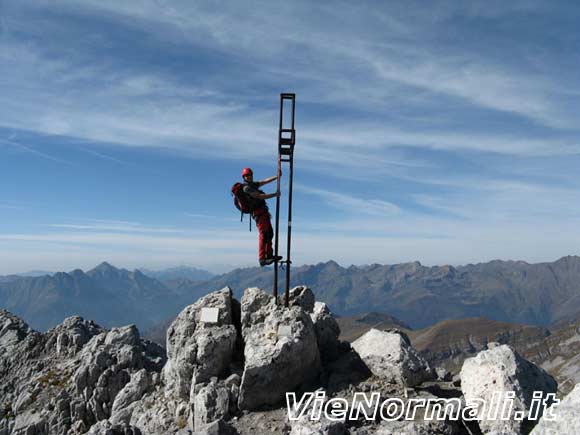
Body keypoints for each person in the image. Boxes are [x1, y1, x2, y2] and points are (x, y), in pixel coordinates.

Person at [241, 167, 282, 266]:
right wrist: (274, 194)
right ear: (244, 177)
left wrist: (276, 177)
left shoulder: (253, 185)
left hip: (263, 212)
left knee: (269, 233)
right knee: (263, 234)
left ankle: (269, 255)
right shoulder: (246, 188)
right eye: (246, 175)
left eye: (249, 175)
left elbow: (264, 181)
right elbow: (259, 196)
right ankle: (262, 259)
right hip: (258, 214)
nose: (248, 176)